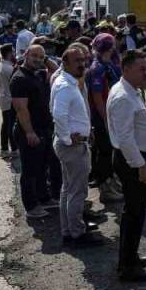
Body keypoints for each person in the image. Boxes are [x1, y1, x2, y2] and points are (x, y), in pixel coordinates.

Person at [107, 49, 146, 281]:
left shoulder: (130, 91)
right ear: (125, 69)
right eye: (141, 69)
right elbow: (125, 138)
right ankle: (128, 267)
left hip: (136, 158)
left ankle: (131, 257)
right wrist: (141, 166)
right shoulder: (123, 97)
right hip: (133, 160)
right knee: (134, 214)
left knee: (136, 213)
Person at [51, 45, 100, 247]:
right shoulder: (65, 86)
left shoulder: (67, 82)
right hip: (71, 147)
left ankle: (69, 231)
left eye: (83, 60)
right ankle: (76, 234)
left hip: (70, 144)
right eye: (77, 61)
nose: (82, 64)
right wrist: (68, 139)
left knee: (68, 190)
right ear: (65, 63)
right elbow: (58, 114)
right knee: (77, 192)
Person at [12, 44, 60, 219]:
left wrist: (44, 58)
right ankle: (31, 207)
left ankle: (44, 199)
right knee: (30, 170)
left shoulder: (38, 74)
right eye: (35, 56)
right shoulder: (19, 78)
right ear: (26, 54)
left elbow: (57, 70)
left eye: (41, 57)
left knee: (41, 167)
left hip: (44, 128)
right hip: (29, 131)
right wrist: (30, 132)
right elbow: (21, 109)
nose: (38, 60)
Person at [86, 34, 122, 204]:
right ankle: (105, 188)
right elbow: (97, 97)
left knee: (111, 151)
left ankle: (110, 182)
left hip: (112, 115)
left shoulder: (108, 65)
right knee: (105, 152)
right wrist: (106, 120)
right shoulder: (98, 68)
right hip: (102, 118)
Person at [0, 44, 19, 160]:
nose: (14, 54)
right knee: (10, 125)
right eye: (13, 52)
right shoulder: (9, 68)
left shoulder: (0, 67)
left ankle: (4, 148)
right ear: (9, 53)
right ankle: (13, 149)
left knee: (5, 125)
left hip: (3, 99)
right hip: (9, 100)